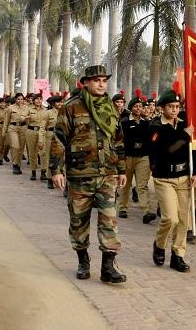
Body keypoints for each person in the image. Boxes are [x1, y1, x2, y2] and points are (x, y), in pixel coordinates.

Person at [50, 65, 127, 284]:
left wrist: (121, 168)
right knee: (78, 221)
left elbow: (118, 140)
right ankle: (83, 260)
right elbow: (58, 139)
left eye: (104, 80)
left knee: (109, 220)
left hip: (107, 174)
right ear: (86, 83)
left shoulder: (112, 108)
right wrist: (56, 170)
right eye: (96, 80)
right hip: (80, 175)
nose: (101, 84)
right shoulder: (71, 107)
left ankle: (108, 267)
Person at [149, 85, 196, 273]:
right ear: (162, 108)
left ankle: (178, 255)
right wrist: (185, 134)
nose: (174, 110)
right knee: (170, 218)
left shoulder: (183, 123)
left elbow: (192, 149)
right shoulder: (155, 126)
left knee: (183, 220)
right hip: (164, 178)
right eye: (170, 106)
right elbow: (167, 150)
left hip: (183, 177)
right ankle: (160, 244)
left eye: (177, 106)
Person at [118, 90, 155, 223]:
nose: (138, 109)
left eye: (140, 106)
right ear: (131, 108)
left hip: (143, 157)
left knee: (142, 185)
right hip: (128, 157)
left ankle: (147, 211)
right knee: (126, 184)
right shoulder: (125, 122)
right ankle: (122, 207)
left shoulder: (147, 123)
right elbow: (119, 141)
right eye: (136, 106)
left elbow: (151, 141)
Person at [39, 95, 64, 189]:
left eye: (61, 102)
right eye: (58, 102)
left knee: (62, 158)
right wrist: (40, 140)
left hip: (62, 137)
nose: (60, 104)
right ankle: (50, 178)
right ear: (53, 103)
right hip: (50, 136)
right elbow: (42, 127)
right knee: (51, 158)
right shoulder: (48, 113)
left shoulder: (65, 112)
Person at [4, 93, 30, 175]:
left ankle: (18, 165)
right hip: (13, 128)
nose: (20, 101)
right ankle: (14, 164)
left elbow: (29, 119)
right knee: (15, 146)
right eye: (18, 99)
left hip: (23, 128)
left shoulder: (27, 108)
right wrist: (4, 131)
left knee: (21, 148)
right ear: (15, 99)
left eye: (22, 99)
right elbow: (6, 120)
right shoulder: (10, 108)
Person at [26, 94, 48, 181]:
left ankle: (43, 172)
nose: (38, 100)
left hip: (42, 132)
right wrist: (26, 118)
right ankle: (33, 171)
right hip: (31, 131)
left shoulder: (46, 110)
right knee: (32, 153)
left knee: (43, 152)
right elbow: (22, 117)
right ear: (33, 100)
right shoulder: (29, 109)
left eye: (40, 99)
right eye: (37, 99)